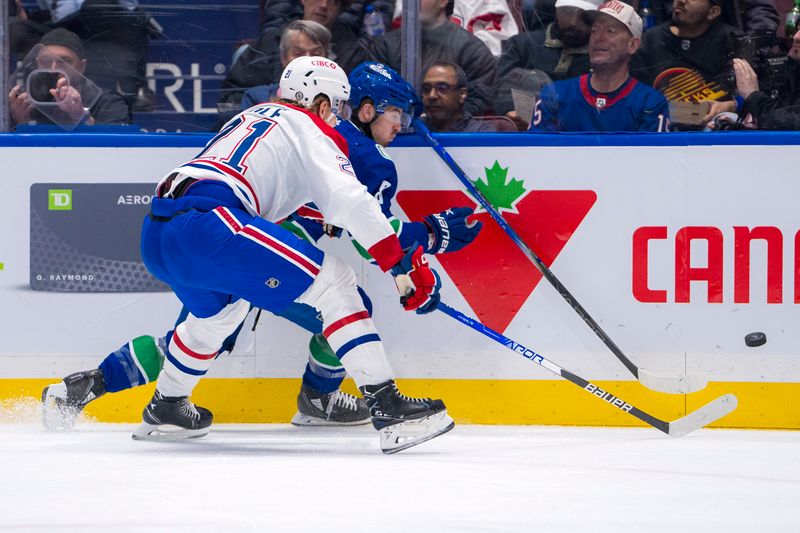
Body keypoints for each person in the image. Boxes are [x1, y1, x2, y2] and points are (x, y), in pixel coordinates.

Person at [43, 61, 483, 434]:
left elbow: (312, 205)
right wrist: (407, 258)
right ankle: (387, 406)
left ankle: (165, 404)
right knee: (337, 285)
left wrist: (412, 244)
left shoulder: (251, 117)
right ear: (322, 104)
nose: (338, 121)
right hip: (218, 226)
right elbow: (350, 203)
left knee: (214, 321)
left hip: (160, 228)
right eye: (337, 108)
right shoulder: (311, 127)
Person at [530, 0, 670, 132]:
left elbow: (651, 157)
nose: (598, 37)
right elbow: (535, 152)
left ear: (633, 45)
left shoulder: (651, 104)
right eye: (594, 30)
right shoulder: (553, 95)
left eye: (610, 31)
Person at [219, 0, 374, 111]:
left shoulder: (353, 53)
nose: (323, 5)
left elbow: (358, 108)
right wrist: (267, 112)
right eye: (298, 53)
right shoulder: (270, 41)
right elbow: (228, 102)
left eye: (333, 1)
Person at [370, 0, 497, 116]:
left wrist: (442, 121)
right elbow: (374, 93)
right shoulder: (385, 46)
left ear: (442, 1)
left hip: (451, 137)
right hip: (396, 135)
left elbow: (479, 99)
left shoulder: (471, 49)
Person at [495, 0, 601, 129]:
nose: (573, 22)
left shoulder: (602, 56)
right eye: (567, 12)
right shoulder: (522, 44)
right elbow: (499, 84)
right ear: (556, 12)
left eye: (584, 16)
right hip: (524, 132)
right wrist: (508, 109)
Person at [8, 28, 131, 129]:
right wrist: (19, 124)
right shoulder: (21, 103)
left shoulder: (107, 102)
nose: (53, 69)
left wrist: (81, 116)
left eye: (64, 62)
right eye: (45, 61)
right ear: (36, 64)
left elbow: (116, 147)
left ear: (81, 66)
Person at [220, 20, 333, 126]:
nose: (307, 60)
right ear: (283, 57)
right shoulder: (257, 98)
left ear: (327, 58)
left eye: (316, 54)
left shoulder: (338, 100)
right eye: (298, 53)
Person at [631, 0, 739, 106]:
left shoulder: (731, 40)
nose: (680, 1)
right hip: (661, 120)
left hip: (716, 120)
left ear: (713, 12)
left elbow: (745, 96)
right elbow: (637, 93)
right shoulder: (652, 38)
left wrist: (731, 106)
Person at [707, 30, 800, 129]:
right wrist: (739, 128)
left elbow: (792, 125)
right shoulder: (792, 71)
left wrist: (753, 96)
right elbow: (785, 116)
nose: (796, 37)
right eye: (798, 29)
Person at [421, 62, 498, 132]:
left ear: (462, 94)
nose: (432, 95)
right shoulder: (413, 129)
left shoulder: (480, 132)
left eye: (442, 88)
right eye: (426, 88)